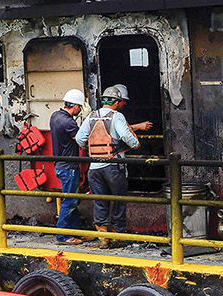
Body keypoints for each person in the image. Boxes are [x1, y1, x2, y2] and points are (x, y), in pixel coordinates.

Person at [76, 84, 151, 247]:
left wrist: (93, 148)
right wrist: (135, 144)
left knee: (100, 201)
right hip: (114, 167)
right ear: (116, 102)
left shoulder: (91, 117)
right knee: (118, 200)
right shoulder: (116, 116)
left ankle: (103, 237)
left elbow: (80, 139)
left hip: (94, 169)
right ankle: (117, 235)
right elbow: (127, 136)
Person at [49, 88, 88, 244]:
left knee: (73, 200)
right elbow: (81, 140)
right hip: (69, 166)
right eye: (80, 107)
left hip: (60, 165)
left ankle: (75, 232)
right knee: (69, 201)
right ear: (76, 106)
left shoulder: (55, 116)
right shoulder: (69, 122)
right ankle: (63, 236)